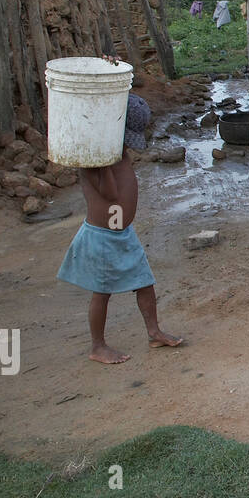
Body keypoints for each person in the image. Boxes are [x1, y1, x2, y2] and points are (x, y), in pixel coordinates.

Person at [57, 87, 183, 363]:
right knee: (102, 292)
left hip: (123, 234)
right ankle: (97, 346)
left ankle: (154, 332)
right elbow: (111, 196)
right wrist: (104, 163)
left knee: (145, 283)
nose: (126, 145)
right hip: (102, 237)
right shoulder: (93, 159)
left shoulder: (117, 152)